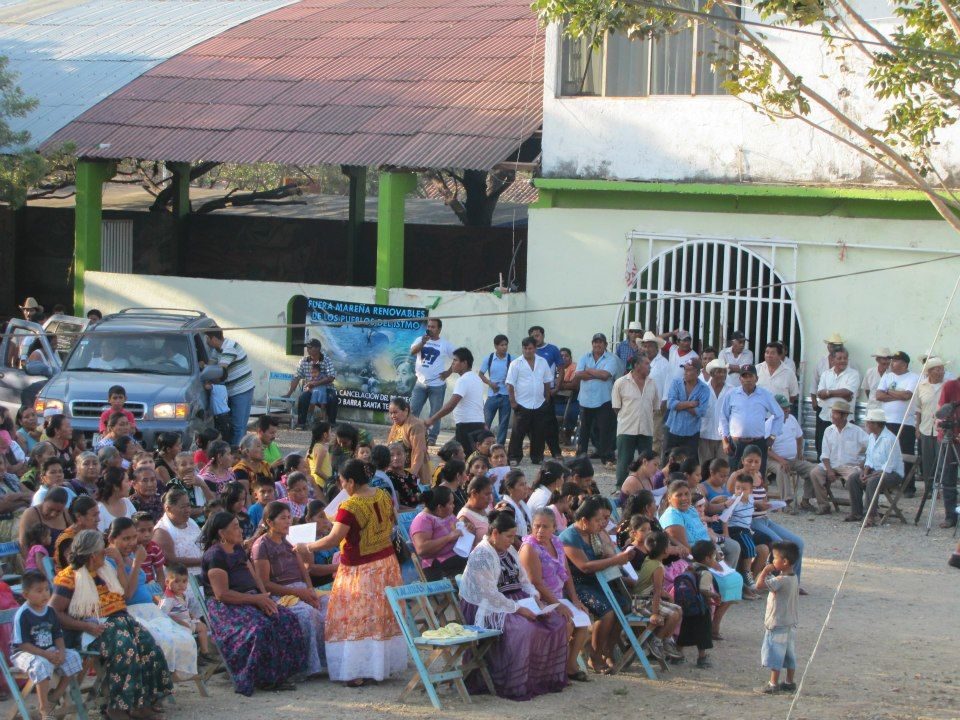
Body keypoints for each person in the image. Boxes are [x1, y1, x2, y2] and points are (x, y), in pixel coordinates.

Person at [300, 459, 406, 686]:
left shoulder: (350, 506)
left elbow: (333, 539)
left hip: (360, 568)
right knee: (379, 616)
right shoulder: (383, 495)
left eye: (342, 482)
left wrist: (307, 546)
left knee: (357, 617)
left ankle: (357, 670)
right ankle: (378, 667)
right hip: (386, 562)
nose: (341, 487)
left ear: (351, 481)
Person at [50, 530, 172, 720]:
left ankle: (141, 703)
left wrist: (122, 565)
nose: (106, 552)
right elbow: (54, 612)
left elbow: (124, 595)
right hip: (92, 627)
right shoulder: (69, 577)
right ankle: (116, 708)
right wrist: (86, 627)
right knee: (126, 651)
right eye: (102, 550)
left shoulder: (105, 569)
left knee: (150, 648)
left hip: (121, 619)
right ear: (92, 555)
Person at [459, 508, 568, 698]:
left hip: (514, 599)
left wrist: (535, 599)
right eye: (509, 537)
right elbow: (490, 594)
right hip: (488, 606)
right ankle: (515, 682)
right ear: (494, 533)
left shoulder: (508, 549)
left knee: (556, 622)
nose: (513, 541)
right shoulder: (482, 554)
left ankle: (538, 679)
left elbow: (524, 580)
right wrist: (519, 609)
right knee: (523, 629)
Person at [201, 512, 305, 695]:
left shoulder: (238, 549)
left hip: (250, 599)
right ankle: (261, 677)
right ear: (221, 533)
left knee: (286, 618)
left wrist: (263, 596)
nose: (240, 530)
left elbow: (254, 576)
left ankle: (281, 673)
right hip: (227, 606)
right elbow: (222, 594)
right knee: (260, 627)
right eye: (235, 527)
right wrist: (256, 599)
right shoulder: (215, 555)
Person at [105, 517, 199, 681]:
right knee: (161, 641)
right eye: (125, 538)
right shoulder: (110, 562)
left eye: (133, 537)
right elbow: (127, 594)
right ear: (112, 539)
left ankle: (165, 682)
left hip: (151, 610)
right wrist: (135, 565)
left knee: (182, 636)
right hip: (132, 613)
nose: (131, 542)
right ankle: (157, 684)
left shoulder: (132, 556)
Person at [251, 502, 327, 677]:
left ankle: (327, 661)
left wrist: (310, 591)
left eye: (289, 518)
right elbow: (265, 583)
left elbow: (303, 571)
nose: (288, 522)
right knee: (309, 614)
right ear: (270, 522)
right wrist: (299, 593)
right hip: (281, 594)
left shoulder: (289, 542)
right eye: (283, 518)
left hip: (302, 591)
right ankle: (308, 665)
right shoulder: (261, 546)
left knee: (330, 604)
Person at [559, 496, 634, 673]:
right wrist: (616, 559)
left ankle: (608, 649)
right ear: (585, 520)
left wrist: (615, 556)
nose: (603, 524)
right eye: (599, 520)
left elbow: (606, 554)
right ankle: (595, 655)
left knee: (624, 606)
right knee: (607, 612)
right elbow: (584, 567)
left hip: (599, 580)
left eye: (605, 519)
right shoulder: (569, 536)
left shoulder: (594, 533)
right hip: (577, 585)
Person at [520, 507, 592, 682]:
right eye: (536, 526)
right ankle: (551, 669)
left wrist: (574, 600)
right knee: (566, 623)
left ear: (553, 528)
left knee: (584, 622)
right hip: (538, 599)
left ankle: (570, 665)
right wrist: (559, 605)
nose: (540, 531)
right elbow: (536, 582)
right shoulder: (530, 548)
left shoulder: (557, 542)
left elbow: (566, 573)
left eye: (545, 527)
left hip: (558, 597)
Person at [659, 481, 743, 612]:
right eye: (679, 495)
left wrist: (715, 550)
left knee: (736, 578)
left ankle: (715, 622)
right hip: (696, 561)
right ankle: (713, 623)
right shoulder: (672, 517)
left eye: (687, 494)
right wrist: (712, 560)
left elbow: (703, 533)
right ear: (669, 498)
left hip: (708, 554)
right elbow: (689, 551)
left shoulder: (691, 509)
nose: (684, 498)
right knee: (730, 580)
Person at [10, 570, 83, 720]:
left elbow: (57, 636)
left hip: (49, 650)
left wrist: (61, 652)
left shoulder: (50, 611)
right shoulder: (23, 614)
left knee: (74, 656)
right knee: (41, 665)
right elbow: (22, 644)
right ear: (25, 595)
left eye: (46, 589)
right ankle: (44, 709)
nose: (45, 594)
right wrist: (46, 655)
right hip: (24, 652)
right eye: (39, 591)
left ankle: (55, 695)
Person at [719, 364, 783, 473]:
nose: (748, 379)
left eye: (750, 376)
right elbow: (723, 417)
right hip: (735, 443)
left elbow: (779, 414)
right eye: (744, 376)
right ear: (740, 379)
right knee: (734, 476)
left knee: (757, 477)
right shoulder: (731, 394)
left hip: (757, 443)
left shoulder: (765, 395)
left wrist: (772, 436)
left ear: (756, 378)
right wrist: (725, 440)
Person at [756, 542, 801, 694]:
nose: (772, 561)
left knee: (776, 653)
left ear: (785, 562)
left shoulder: (780, 581)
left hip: (777, 622)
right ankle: (789, 682)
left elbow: (758, 585)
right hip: (790, 622)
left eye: (774, 558)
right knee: (789, 653)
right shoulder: (793, 577)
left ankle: (773, 683)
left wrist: (764, 570)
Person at [846, 408, 904, 526]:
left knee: (873, 481)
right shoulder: (872, 437)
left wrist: (870, 476)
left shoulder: (890, 439)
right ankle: (856, 512)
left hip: (892, 474)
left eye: (869, 423)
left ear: (876, 424)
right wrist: (865, 472)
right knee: (853, 478)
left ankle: (870, 515)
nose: (866, 425)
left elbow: (888, 467)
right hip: (875, 471)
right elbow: (869, 458)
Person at [807, 401, 867, 515]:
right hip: (831, 464)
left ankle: (857, 509)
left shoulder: (856, 431)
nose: (832, 416)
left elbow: (871, 447)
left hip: (850, 466)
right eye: (832, 412)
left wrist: (863, 463)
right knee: (815, 473)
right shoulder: (828, 430)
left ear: (844, 415)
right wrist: (829, 470)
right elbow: (824, 454)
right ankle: (824, 505)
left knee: (854, 478)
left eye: (835, 413)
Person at [425, 347, 486, 455]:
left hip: (466, 426)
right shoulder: (476, 378)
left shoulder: (463, 380)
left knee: (465, 459)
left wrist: (432, 419)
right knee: (446, 453)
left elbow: (451, 405)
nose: (452, 363)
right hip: (477, 425)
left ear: (464, 363)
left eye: (455, 360)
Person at [875, 350, 920, 495]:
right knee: (886, 453)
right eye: (892, 360)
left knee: (905, 454)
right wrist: (896, 395)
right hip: (886, 421)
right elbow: (879, 395)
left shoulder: (913, 377)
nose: (892, 363)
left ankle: (908, 487)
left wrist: (888, 391)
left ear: (904, 364)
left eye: (895, 361)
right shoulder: (887, 376)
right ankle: (885, 484)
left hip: (905, 422)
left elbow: (907, 395)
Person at [611, 354, 660, 487]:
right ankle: (621, 487)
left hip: (646, 428)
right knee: (624, 460)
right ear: (637, 366)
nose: (649, 367)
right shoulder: (621, 382)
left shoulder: (652, 383)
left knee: (646, 461)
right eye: (646, 364)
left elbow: (655, 407)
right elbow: (616, 407)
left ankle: (646, 486)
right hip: (626, 428)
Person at [506, 337, 554, 466]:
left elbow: (547, 381)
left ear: (535, 348)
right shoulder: (516, 363)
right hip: (522, 403)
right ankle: (514, 457)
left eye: (530, 348)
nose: (527, 351)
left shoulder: (542, 362)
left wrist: (546, 398)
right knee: (518, 432)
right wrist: (512, 402)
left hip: (539, 402)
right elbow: (510, 384)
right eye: (525, 348)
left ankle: (537, 457)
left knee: (539, 432)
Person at [574, 333, 619, 466]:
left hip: (603, 399)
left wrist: (588, 370)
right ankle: (581, 456)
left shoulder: (611, 359)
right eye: (595, 342)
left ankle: (607, 457)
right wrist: (596, 373)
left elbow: (606, 375)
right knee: (584, 431)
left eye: (600, 342)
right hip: (585, 400)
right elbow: (578, 374)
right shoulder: (584, 357)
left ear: (605, 345)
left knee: (605, 430)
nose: (597, 345)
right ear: (592, 344)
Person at [204, 329, 255, 446]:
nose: (206, 342)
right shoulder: (216, 350)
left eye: (207, 338)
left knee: (238, 426)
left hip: (242, 390)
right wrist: (205, 368)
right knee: (231, 425)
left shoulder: (230, 348)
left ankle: (236, 453)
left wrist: (206, 374)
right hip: (231, 391)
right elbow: (210, 367)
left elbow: (219, 372)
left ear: (214, 339)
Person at [674, 540, 720, 668]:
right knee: (703, 634)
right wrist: (714, 595)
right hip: (701, 608)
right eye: (713, 557)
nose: (714, 560)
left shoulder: (689, 567)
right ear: (707, 558)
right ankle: (702, 657)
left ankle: (677, 654)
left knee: (685, 630)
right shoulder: (706, 573)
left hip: (687, 605)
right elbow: (703, 590)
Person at [409, 318, 454, 446]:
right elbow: (412, 352)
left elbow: (457, 357)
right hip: (420, 383)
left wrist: (448, 372)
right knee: (413, 410)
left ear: (439, 329)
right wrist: (423, 343)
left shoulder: (445, 344)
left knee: (435, 413)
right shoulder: (420, 339)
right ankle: (410, 433)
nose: (430, 329)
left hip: (437, 385)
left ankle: (432, 437)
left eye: (433, 327)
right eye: (429, 326)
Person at [766, 394, 816, 509]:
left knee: (814, 470)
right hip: (774, 459)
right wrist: (781, 460)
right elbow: (767, 449)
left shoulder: (792, 419)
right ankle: (787, 502)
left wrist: (800, 453)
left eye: (787, 407)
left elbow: (799, 437)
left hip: (793, 459)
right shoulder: (770, 424)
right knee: (782, 468)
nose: (787, 410)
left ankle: (806, 500)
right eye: (783, 408)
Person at [409, 487, 468, 580]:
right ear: (439, 507)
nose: (453, 506)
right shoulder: (422, 521)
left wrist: (467, 530)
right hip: (437, 565)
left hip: (455, 558)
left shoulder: (447, 515)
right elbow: (421, 549)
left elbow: (458, 531)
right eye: (450, 503)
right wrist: (449, 537)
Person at [158, 564, 211, 661]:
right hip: (176, 626)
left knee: (202, 627)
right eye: (176, 581)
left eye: (184, 581)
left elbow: (184, 609)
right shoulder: (168, 599)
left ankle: (204, 652)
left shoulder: (183, 595)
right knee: (187, 636)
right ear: (167, 582)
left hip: (187, 622)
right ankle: (190, 658)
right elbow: (162, 614)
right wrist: (177, 622)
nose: (181, 585)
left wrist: (191, 615)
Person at [815, 347, 860, 457]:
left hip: (844, 420)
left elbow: (848, 392)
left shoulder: (853, 374)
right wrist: (840, 394)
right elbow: (819, 394)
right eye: (839, 358)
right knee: (823, 450)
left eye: (845, 358)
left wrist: (828, 393)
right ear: (832, 360)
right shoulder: (826, 374)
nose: (843, 360)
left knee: (843, 452)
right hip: (825, 417)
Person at [528, 325, 564, 459]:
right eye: (533, 336)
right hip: (532, 394)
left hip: (547, 393)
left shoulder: (552, 349)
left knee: (550, 423)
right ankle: (537, 452)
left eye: (537, 335)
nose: (535, 338)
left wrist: (557, 387)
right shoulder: (529, 351)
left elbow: (561, 370)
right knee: (532, 424)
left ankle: (556, 452)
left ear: (543, 336)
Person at [286, 339, 338, 430]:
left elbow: (331, 377)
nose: (307, 349)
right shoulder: (304, 361)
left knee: (333, 398)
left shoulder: (326, 360)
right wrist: (289, 393)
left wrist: (316, 383)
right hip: (310, 389)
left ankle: (331, 424)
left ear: (318, 349)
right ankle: (301, 424)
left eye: (310, 347)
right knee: (303, 397)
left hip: (326, 389)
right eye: (307, 347)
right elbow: (297, 377)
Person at [664, 359, 709, 463]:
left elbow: (701, 411)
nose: (685, 372)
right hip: (673, 429)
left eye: (689, 370)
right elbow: (670, 404)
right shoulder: (676, 382)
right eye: (685, 369)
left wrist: (680, 404)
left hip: (691, 433)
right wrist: (690, 404)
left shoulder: (704, 388)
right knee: (668, 462)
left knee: (689, 465)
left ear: (698, 372)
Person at [916, 357, 947, 505]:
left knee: (942, 459)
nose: (941, 371)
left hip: (942, 429)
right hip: (926, 428)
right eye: (938, 369)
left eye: (942, 368)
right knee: (927, 460)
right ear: (929, 371)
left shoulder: (947, 386)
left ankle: (942, 488)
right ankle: (928, 489)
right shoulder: (921, 386)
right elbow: (918, 409)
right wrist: (917, 427)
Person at [153, 489, 204, 578]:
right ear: (168, 508)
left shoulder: (191, 522)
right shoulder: (161, 531)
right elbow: (170, 561)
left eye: (188, 505)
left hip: (202, 576)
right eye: (183, 507)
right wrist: (202, 561)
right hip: (179, 582)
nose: (187, 510)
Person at [387, 397, 431, 488]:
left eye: (395, 412)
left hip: (414, 474)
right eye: (391, 413)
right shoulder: (396, 425)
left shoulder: (415, 425)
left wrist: (411, 477)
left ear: (406, 411)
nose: (392, 416)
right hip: (398, 473)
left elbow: (418, 452)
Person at [19, 487, 69, 563]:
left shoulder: (66, 513)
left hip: (63, 563)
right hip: (39, 564)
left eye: (58, 511)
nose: (53, 514)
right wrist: (30, 565)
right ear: (44, 500)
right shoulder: (30, 513)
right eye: (50, 509)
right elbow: (23, 544)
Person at [479, 334, 513, 446]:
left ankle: (500, 446)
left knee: (503, 423)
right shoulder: (489, 359)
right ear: (496, 346)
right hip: (492, 395)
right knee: (485, 422)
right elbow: (481, 374)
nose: (504, 347)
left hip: (506, 395)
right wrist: (490, 383)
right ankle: (483, 444)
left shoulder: (511, 359)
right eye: (501, 345)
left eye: (506, 345)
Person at [53, 496, 99, 572]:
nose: (98, 519)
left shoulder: (93, 532)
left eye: (98, 514)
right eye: (94, 515)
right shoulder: (67, 539)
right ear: (79, 517)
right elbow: (76, 569)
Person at [554, 347, 580, 445]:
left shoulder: (575, 367)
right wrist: (563, 384)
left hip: (572, 399)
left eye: (566, 356)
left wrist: (559, 384)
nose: (564, 358)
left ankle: (567, 436)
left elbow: (574, 385)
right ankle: (558, 435)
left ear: (570, 358)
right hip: (557, 399)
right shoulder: (555, 367)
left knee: (571, 413)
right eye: (561, 356)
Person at [96, 467, 136, 531]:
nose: (130, 484)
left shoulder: (126, 501)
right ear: (116, 487)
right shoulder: (99, 509)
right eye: (127, 481)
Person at [457, 476, 494, 540]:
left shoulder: (487, 506)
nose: (490, 499)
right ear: (474, 493)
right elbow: (467, 547)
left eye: (491, 494)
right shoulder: (464, 518)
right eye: (487, 494)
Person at [500, 470, 532, 538]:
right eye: (521, 485)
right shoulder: (505, 508)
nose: (526, 487)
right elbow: (509, 536)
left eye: (525, 483)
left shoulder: (522, 504)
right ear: (510, 489)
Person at [306, 421, 333, 495]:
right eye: (330, 432)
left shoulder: (311, 449)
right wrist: (331, 482)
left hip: (314, 482)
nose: (332, 434)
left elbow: (306, 466)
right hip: (321, 484)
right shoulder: (321, 449)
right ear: (325, 434)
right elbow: (317, 470)